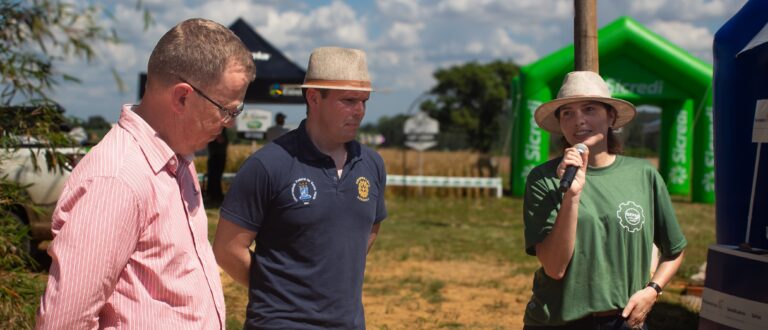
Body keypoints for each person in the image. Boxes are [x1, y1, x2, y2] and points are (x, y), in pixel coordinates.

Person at [36, 18, 256, 329]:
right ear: (182, 97)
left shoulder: (177, 159)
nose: (229, 123)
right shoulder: (117, 181)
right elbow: (63, 322)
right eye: (227, 109)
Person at [213, 47, 387, 329]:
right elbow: (227, 249)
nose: (359, 111)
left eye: (364, 101)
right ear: (314, 98)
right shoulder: (268, 165)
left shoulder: (371, 164)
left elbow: (369, 229)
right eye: (348, 100)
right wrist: (279, 290)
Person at [522, 71, 687, 329]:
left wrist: (653, 291)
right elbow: (555, 268)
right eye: (568, 113)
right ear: (560, 124)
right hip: (558, 321)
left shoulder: (642, 175)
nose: (579, 121)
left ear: (611, 117)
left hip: (624, 321)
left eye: (589, 109)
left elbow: (675, 250)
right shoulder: (545, 179)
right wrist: (572, 196)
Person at [206, 127, 229, 203]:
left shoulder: (219, 128)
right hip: (215, 155)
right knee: (213, 177)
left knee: (215, 177)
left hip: (218, 155)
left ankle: (215, 196)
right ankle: (214, 196)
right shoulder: (219, 127)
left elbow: (220, 140)